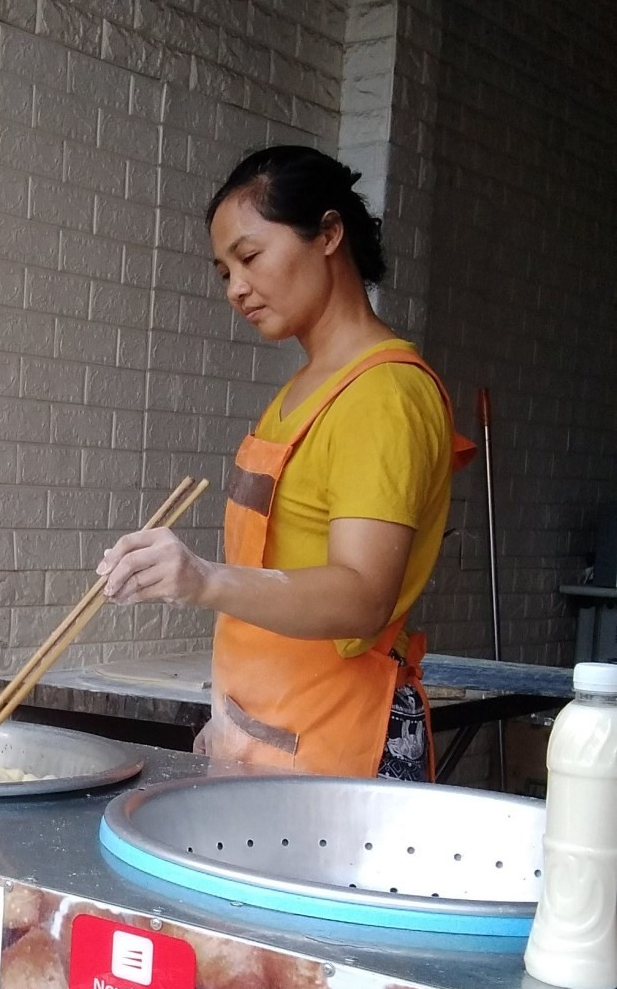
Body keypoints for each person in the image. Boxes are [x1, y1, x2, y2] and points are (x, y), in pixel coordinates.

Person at [98, 145, 473, 779]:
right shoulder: (304, 390)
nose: (237, 288)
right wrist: (232, 719)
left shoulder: (383, 393)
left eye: (249, 257)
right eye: (224, 272)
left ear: (328, 234)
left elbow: (362, 596)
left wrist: (202, 579)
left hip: (340, 747)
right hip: (272, 738)